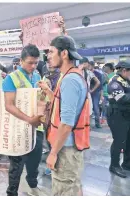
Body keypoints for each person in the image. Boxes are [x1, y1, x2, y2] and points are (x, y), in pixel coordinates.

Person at [39, 35, 89, 196]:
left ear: (64, 54)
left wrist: (53, 153)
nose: (48, 56)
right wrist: (48, 91)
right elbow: (63, 105)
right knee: (72, 187)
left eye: (52, 52)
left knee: (64, 189)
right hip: (68, 146)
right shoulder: (69, 76)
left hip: (65, 149)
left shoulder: (70, 80)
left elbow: (66, 123)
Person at [2, 44, 43, 196]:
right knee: (16, 164)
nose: (33, 66)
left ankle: (33, 184)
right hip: (18, 128)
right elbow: (8, 105)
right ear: (21, 61)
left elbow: (39, 98)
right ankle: (12, 192)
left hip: (36, 127)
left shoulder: (37, 75)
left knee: (35, 160)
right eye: (30, 62)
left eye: (36, 62)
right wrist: (28, 119)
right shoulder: (11, 79)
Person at [107, 60, 130, 178]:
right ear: (124, 70)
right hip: (117, 115)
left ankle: (128, 163)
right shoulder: (114, 82)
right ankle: (114, 165)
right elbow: (121, 98)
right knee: (119, 141)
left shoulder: (127, 81)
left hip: (129, 115)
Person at [88, 61, 103, 128]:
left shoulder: (98, 74)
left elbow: (100, 85)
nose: (88, 67)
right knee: (88, 108)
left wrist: (101, 95)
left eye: (89, 65)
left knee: (95, 108)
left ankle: (97, 123)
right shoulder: (86, 73)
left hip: (95, 93)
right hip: (88, 92)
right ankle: (88, 124)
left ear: (92, 66)